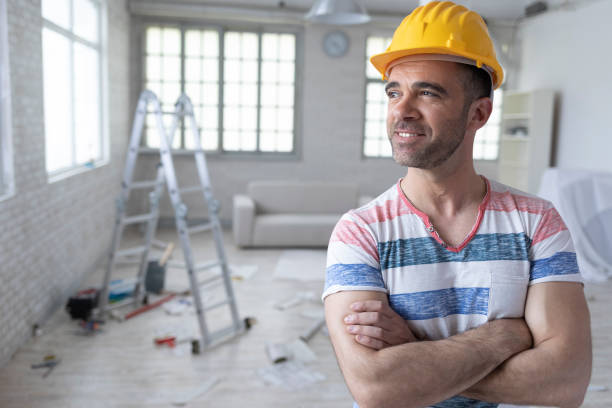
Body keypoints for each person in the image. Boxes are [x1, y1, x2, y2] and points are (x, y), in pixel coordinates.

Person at [322, 2, 592, 408]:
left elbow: (565, 383)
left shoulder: (537, 223)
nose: (401, 111)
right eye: (393, 92)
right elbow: (377, 389)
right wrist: (503, 336)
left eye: (427, 92)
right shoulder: (360, 232)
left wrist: (416, 353)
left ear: (478, 113)